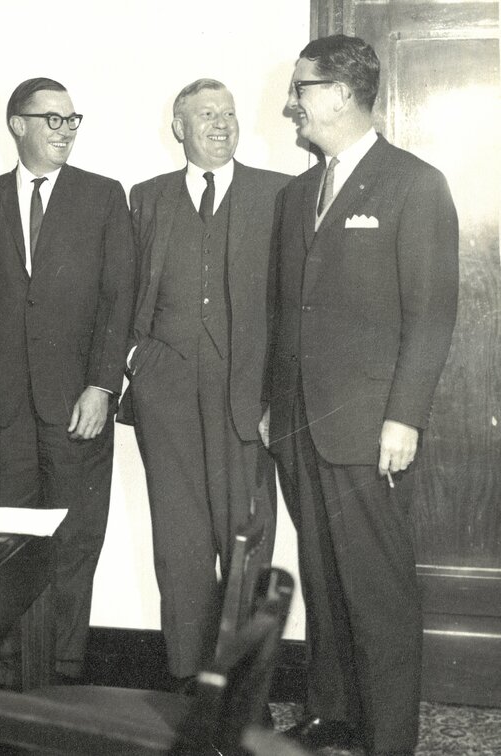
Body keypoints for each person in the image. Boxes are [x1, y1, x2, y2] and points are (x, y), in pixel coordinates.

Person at [262, 34, 458, 755]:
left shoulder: (414, 183)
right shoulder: (295, 194)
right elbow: (288, 312)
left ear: (340, 94)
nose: (293, 105)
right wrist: (270, 404)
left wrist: (404, 416)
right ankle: (331, 712)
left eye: (301, 89)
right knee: (322, 579)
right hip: (299, 427)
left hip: (370, 427)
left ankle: (386, 739)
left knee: (377, 594)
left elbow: (431, 314)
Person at [0, 78, 135, 681]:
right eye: (51, 119)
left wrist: (102, 386)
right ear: (17, 125)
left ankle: (63, 666)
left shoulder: (103, 196)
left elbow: (119, 299)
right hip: (5, 406)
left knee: (75, 540)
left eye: (71, 120)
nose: (64, 131)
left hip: (77, 404)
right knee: (9, 543)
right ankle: (8, 669)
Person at [122, 79, 288, 689]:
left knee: (247, 546)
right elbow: (124, 289)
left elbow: (291, 301)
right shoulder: (148, 197)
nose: (221, 123)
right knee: (180, 546)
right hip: (166, 392)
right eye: (206, 114)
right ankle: (186, 683)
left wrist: (279, 393)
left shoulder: (277, 193)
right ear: (179, 127)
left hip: (247, 396)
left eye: (229, 113)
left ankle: (245, 694)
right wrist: (137, 358)